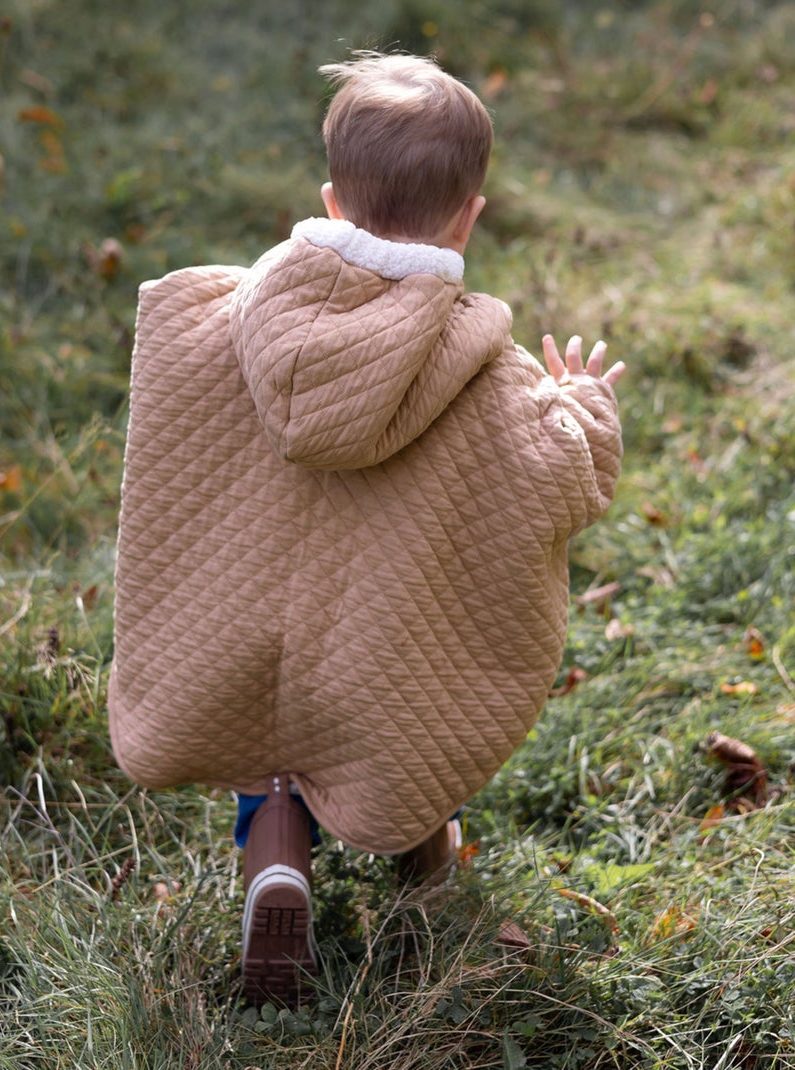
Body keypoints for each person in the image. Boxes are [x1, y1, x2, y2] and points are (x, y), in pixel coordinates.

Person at [108, 52, 624, 1007]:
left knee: (269, 731)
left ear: (331, 202)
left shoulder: (223, 314)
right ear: (469, 217)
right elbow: (562, 480)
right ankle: (426, 863)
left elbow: (176, 431)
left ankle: (276, 862)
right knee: (421, 701)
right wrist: (583, 404)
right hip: (379, 649)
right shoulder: (487, 368)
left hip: (239, 638)